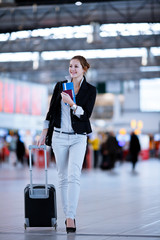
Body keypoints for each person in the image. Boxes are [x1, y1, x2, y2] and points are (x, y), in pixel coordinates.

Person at [37, 55, 96, 233]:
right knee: (62, 177)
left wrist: (72, 104)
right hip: (59, 137)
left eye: (76, 66)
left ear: (84, 69)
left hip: (78, 137)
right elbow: (51, 111)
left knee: (74, 176)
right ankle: (66, 216)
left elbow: (86, 115)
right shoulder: (60, 86)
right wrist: (44, 131)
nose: (72, 69)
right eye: (70, 66)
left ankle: (71, 216)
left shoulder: (90, 90)